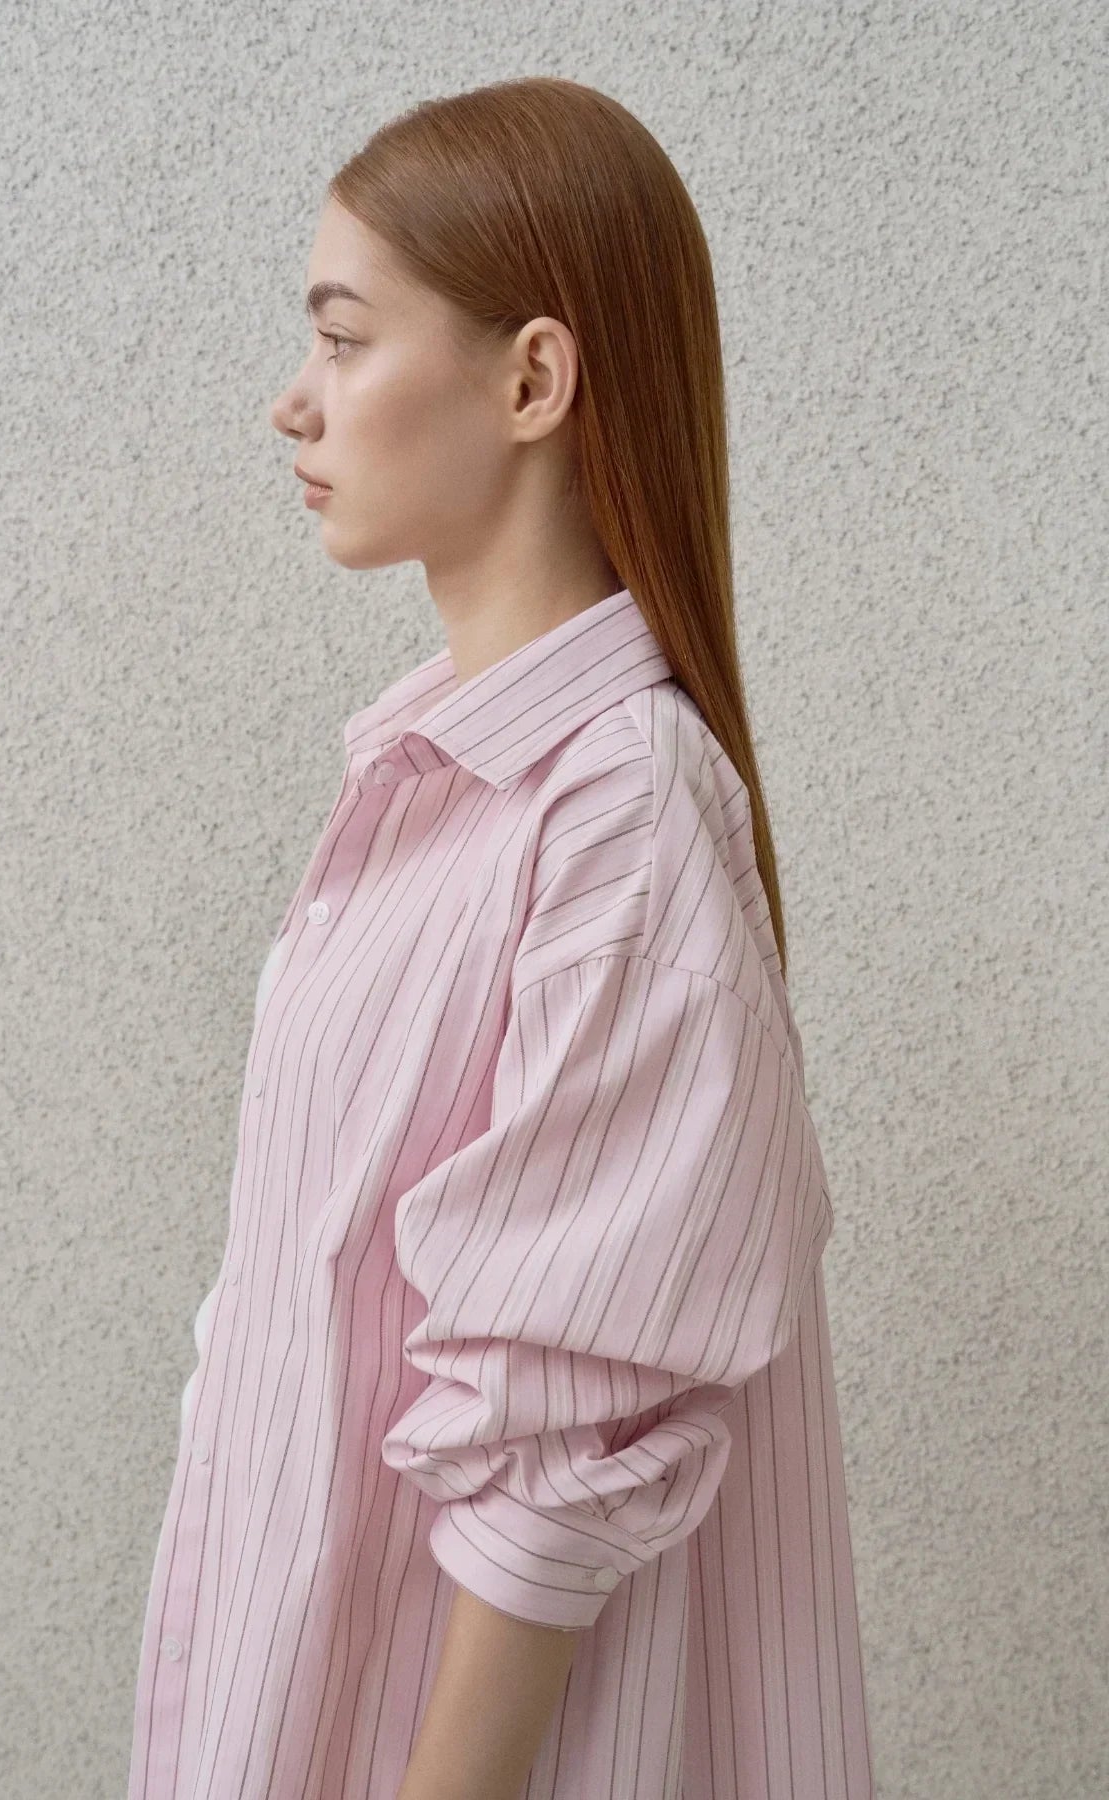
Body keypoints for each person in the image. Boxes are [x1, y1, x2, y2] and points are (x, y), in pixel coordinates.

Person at [127, 75, 874, 1800]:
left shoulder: (612, 813)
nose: (292, 406)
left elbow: (563, 1453)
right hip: (305, 1692)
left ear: (533, 379)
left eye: (343, 338)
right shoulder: (427, 782)